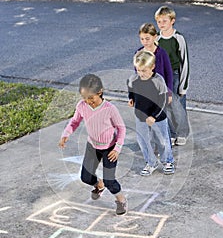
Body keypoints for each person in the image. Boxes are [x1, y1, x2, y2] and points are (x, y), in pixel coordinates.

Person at [59, 74, 127, 216]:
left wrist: (117, 148)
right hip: (92, 146)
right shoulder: (82, 106)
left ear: (100, 92)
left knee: (110, 181)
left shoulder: (110, 109)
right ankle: (98, 185)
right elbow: (74, 122)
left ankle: (121, 199)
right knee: (86, 177)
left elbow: (121, 128)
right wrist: (66, 134)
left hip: (109, 148)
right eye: (85, 98)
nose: (88, 101)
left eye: (91, 98)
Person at [127, 50, 175, 176]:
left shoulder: (159, 80)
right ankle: (151, 162)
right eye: (138, 70)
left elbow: (163, 101)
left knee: (162, 140)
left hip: (157, 116)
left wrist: (154, 116)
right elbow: (131, 89)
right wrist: (131, 98)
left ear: (152, 67)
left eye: (144, 70)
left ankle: (167, 161)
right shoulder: (133, 79)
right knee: (143, 140)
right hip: (141, 116)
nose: (141, 73)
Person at [154, 6, 190, 146]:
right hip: (161, 76)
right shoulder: (157, 38)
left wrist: (183, 86)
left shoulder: (178, 38)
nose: (161, 24)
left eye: (165, 21)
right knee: (166, 105)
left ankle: (182, 133)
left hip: (175, 74)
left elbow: (184, 61)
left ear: (172, 21)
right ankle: (171, 133)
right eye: (159, 21)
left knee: (178, 106)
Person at [136, 23, 173, 105]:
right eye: (142, 39)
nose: (145, 41)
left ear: (155, 37)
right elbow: (136, 74)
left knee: (160, 114)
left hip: (159, 92)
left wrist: (169, 93)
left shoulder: (161, 53)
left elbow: (169, 74)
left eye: (147, 39)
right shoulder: (139, 53)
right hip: (145, 91)